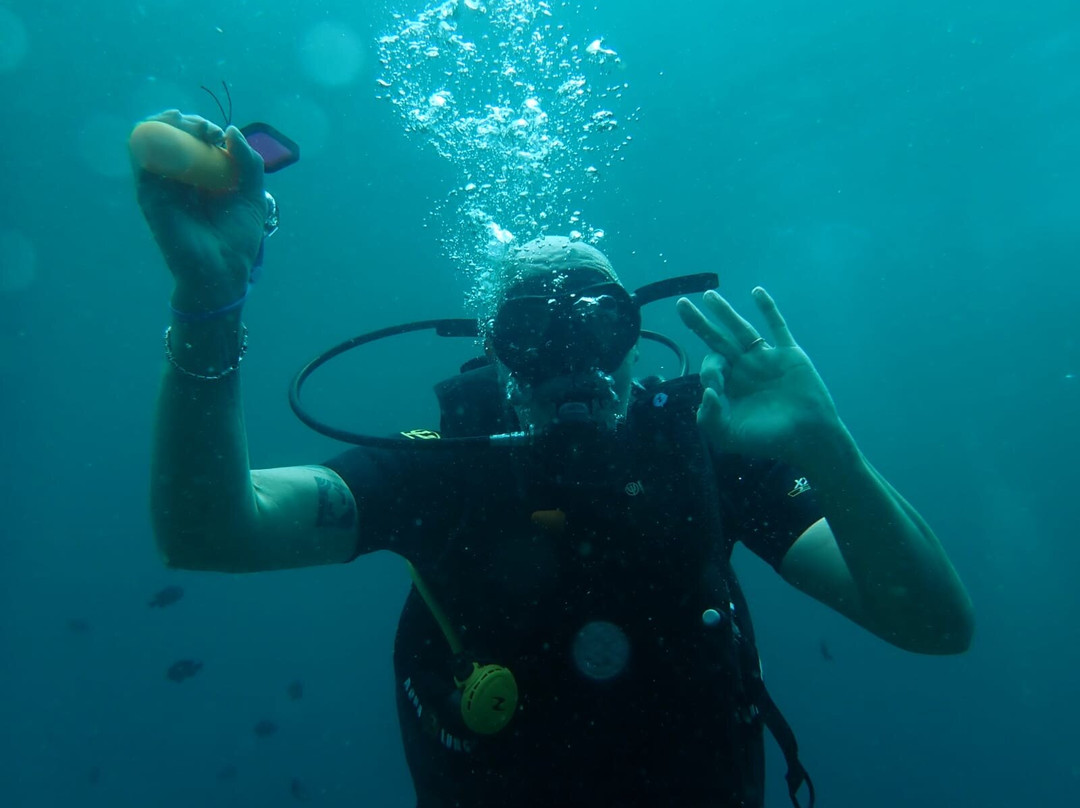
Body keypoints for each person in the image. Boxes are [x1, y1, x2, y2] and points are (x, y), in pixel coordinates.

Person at [137, 111, 974, 808]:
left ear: (634, 340)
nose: (570, 357)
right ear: (496, 352)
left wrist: (825, 445)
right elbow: (208, 532)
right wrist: (208, 300)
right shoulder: (439, 470)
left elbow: (934, 626)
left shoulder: (711, 449)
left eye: (596, 325)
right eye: (532, 330)